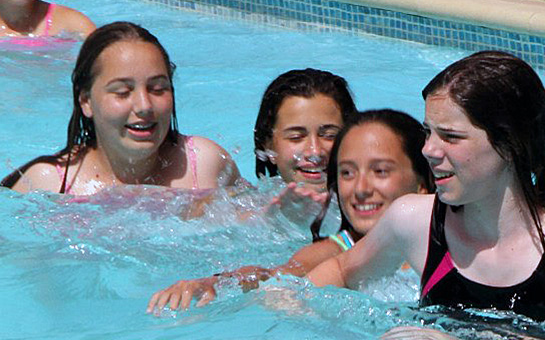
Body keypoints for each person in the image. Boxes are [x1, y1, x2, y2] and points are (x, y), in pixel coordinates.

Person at [306, 50, 545, 340]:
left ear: (509, 144)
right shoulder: (414, 221)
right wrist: (291, 304)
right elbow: (341, 271)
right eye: (428, 132)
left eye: (450, 136)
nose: (428, 150)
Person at [148, 108, 434, 312]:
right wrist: (213, 283)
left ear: (424, 184)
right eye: (347, 173)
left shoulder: (450, 241)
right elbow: (277, 274)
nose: (360, 188)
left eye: (380, 171)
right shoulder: (336, 250)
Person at [0, 21, 240, 194]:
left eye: (158, 89)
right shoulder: (48, 185)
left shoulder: (204, 164)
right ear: (86, 101)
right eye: (123, 92)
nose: (144, 106)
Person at [252, 69, 358, 236]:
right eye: (296, 137)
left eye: (330, 135)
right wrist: (274, 222)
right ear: (268, 147)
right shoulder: (249, 207)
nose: (315, 152)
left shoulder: (377, 204)